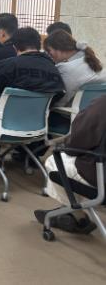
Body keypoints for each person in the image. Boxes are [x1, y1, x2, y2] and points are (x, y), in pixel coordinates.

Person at [0, 27, 65, 175]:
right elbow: (58, 95)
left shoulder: (7, 66)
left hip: (2, 125)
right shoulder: (53, 69)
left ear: (15, 46)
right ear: (39, 45)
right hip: (36, 126)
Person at [34, 94, 106, 235]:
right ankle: (69, 211)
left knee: (55, 161)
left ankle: (77, 216)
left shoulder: (103, 103)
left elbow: (75, 144)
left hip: (100, 179)